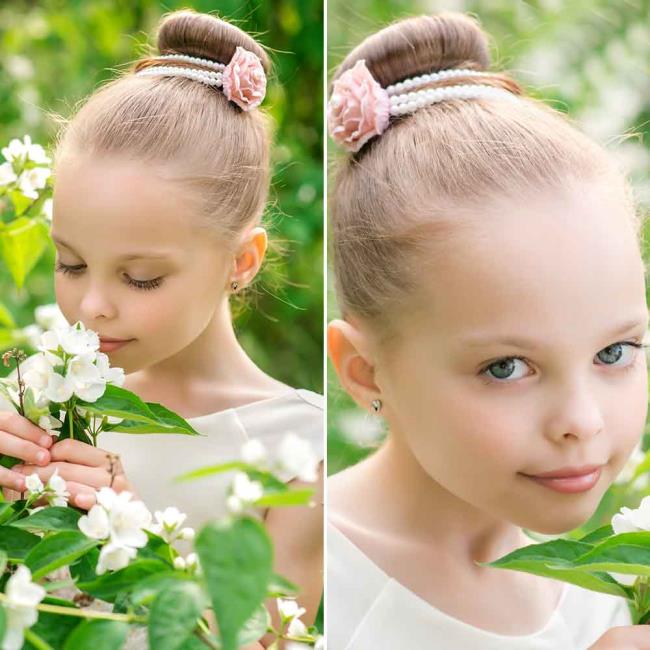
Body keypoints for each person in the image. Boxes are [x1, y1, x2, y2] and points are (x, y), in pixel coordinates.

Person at [326, 11, 648, 650]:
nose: (581, 422)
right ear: (365, 373)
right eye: (506, 367)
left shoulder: (601, 605)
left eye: (615, 352)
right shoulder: (299, 582)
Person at [0, 8, 323, 641]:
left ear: (241, 262)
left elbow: (268, 641)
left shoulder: (295, 456)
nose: (92, 305)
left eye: (140, 277)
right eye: (70, 263)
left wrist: (142, 540)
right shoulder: (39, 395)